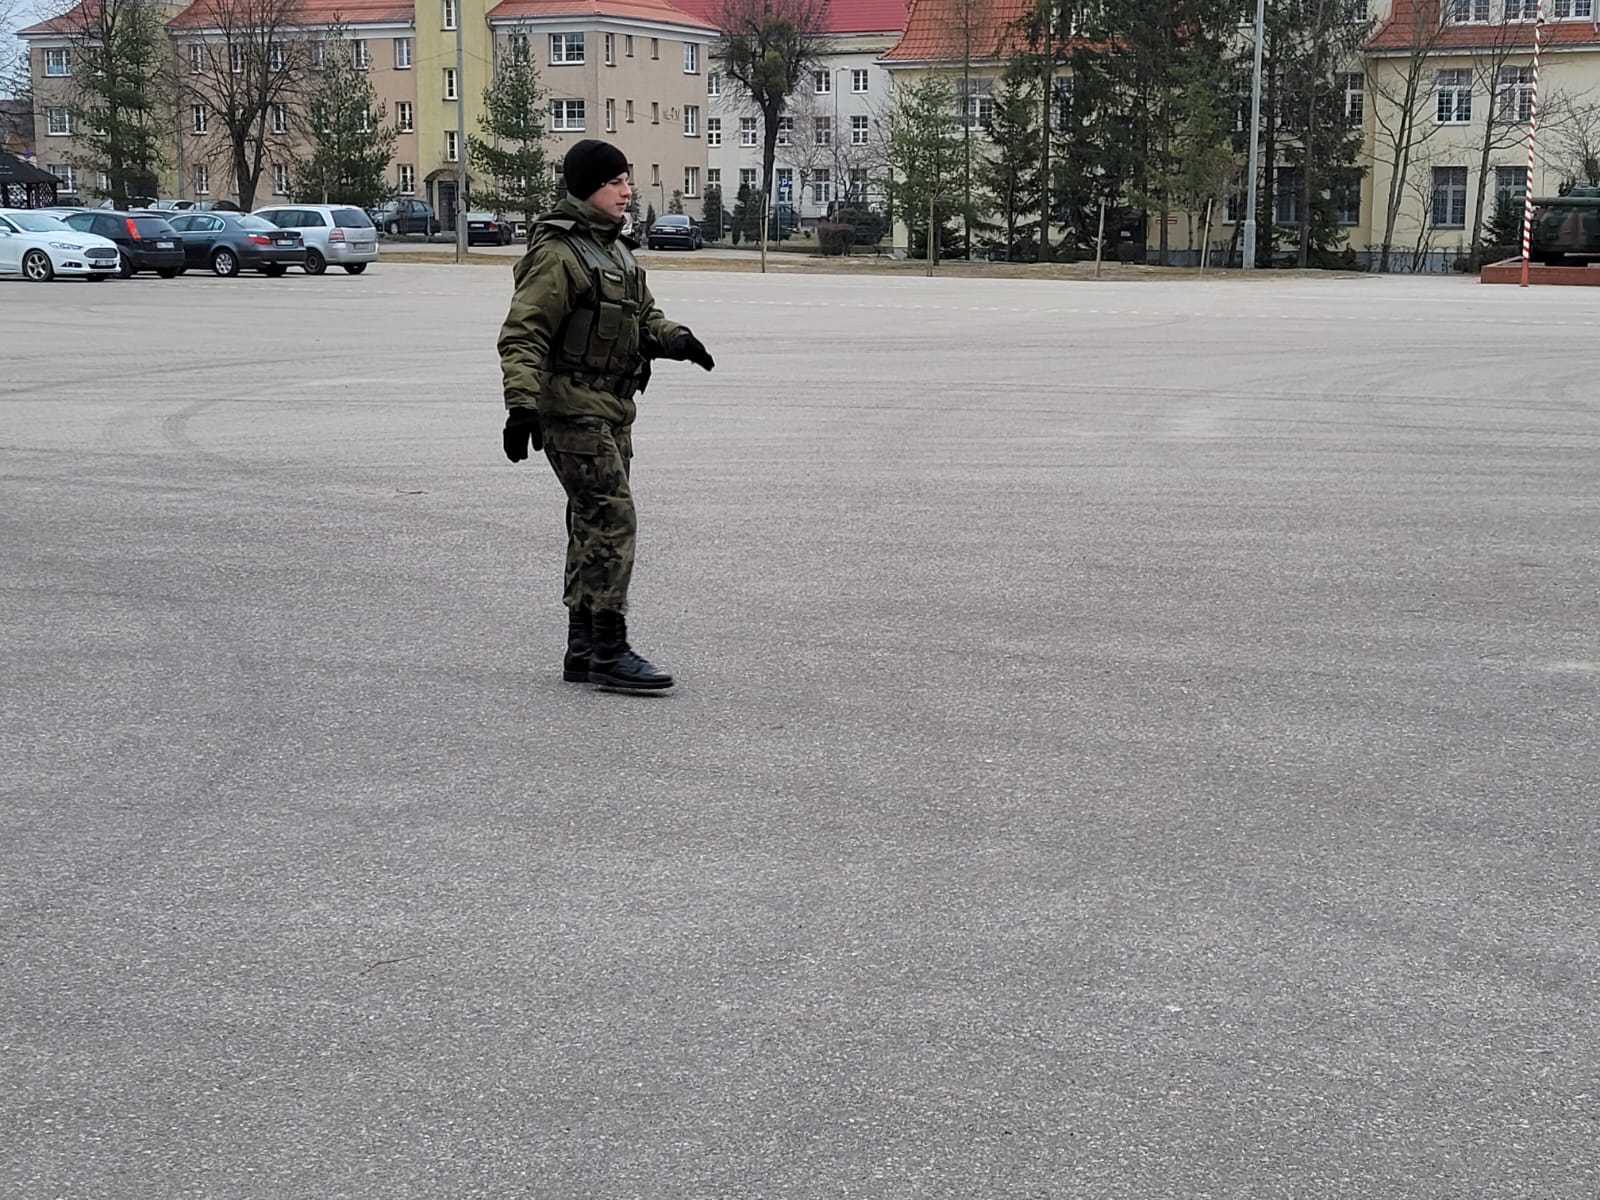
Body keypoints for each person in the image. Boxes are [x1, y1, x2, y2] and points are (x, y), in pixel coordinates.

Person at [498, 139, 715, 692]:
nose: (626, 191)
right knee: (614, 518)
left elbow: (643, 317)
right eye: (616, 182)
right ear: (589, 188)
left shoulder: (614, 250)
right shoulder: (558, 255)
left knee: (590, 521)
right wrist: (521, 407)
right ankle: (610, 649)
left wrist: (677, 339)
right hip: (572, 409)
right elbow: (523, 335)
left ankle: (583, 646)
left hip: (612, 409)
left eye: (627, 181)